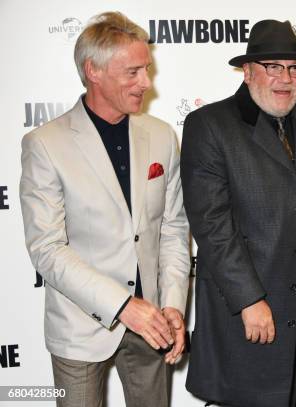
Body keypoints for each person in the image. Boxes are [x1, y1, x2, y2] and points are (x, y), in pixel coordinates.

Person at [19, 11, 190, 407]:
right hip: (80, 328)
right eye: (132, 72)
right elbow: (46, 248)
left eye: (145, 69)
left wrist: (173, 305)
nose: (146, 83)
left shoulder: (162, 135)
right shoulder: (46, 144)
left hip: (153, 325)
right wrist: (123, 306)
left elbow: (172, 229)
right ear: (92, 70)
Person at [181, 19, 296, 407]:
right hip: (245, 308)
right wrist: (249, 300)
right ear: (248, 70)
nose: (286, 79)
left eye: (295, 68)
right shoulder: (209, 124)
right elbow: (212, 226)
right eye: (274, 67)